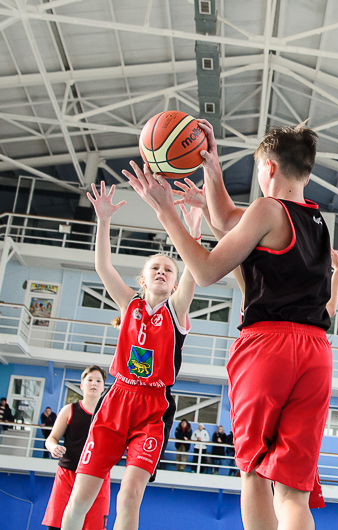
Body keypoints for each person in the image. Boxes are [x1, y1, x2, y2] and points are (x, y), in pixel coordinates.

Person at [128, 119, 338, 530]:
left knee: (255, 471)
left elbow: (207, 271)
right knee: (293, 493)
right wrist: (212, 169)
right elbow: (227, 220)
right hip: (316, 352)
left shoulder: (266, 209)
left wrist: (165, 209)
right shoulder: (316, 222)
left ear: (268, 168)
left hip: (269, 346)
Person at [60, 181, 198, 530]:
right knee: (80, 498)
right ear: (143, 279)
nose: (162, 271)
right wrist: (104, 220)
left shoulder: (177, 310)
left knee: (129, 496)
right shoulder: (129, 304)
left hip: (153, 407)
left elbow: (194, 272)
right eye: (155, 268)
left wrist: (193, 231)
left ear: (175, 283)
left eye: (169, 269)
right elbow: (103, 267)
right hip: (118, 399)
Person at [42, 366, 110, 530]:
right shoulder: (69, 410)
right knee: (57, 525)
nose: (94, 383)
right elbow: (51, 438)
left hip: (97, 478)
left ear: (103, 387)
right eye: (90, 380)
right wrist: (53, 447)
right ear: (82, 385)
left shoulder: (110, 415)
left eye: (98, 381)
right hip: (67, 474)